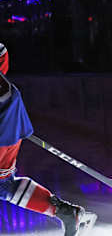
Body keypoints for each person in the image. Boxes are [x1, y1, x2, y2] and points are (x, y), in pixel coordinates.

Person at [0, 43, 94, 235]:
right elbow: (2, 56)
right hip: (12, 123)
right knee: (4, 184)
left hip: (5, 126)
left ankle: (65, 212)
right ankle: (66, 212)